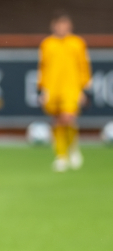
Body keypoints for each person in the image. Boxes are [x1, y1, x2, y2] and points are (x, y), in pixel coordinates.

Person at [38, 10, 92, 172]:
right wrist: (43, 88)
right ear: (53, 26)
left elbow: (83, 65)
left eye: (64, 24)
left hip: (71, 87)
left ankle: (72, 149)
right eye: (59, 24)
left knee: (68, 117)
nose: (62, 28)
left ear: (70, 26)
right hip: (53, 88)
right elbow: (43, 67)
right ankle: (61, 156)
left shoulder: (77, 43)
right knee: (57, 120)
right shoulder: (47, 44)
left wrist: (83, 87)